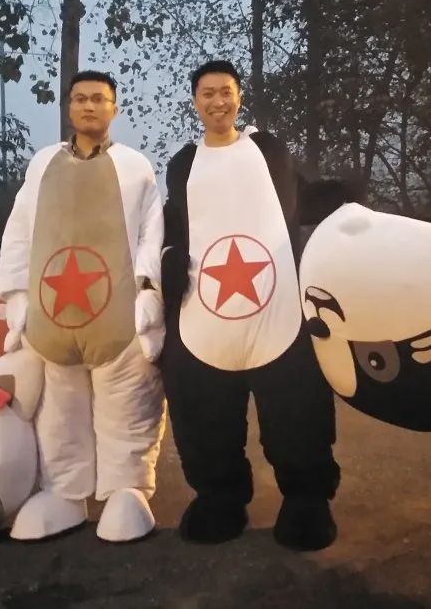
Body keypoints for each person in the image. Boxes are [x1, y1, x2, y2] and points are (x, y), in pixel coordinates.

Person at [159, 60, 346, 552]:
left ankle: (306, 496)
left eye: (226, 91)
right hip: (203, 310)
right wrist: (167, 256)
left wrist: (346, 207)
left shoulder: (269, 150)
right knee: (203, 410)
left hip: (278, 305)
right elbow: (172, 221)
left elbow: (299, 200)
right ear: (195, 101)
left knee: (296, 407)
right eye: (207, 93)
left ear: (239, 96)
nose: (217, 101)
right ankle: (219, 495)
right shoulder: (183, 164)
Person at [0, 70, 166, 543]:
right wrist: (16, 294)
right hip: (51, 320)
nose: (89, 106)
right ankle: (63, 492)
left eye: (99, 99)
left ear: (114, 107)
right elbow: (19, 231)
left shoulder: (135, 167)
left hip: (119, 319)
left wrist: (149, 291)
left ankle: (126, 490)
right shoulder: (42, 164)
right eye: (80, 98)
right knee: (57, 414)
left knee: (127, 406)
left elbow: (152, 232)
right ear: (69, 106)